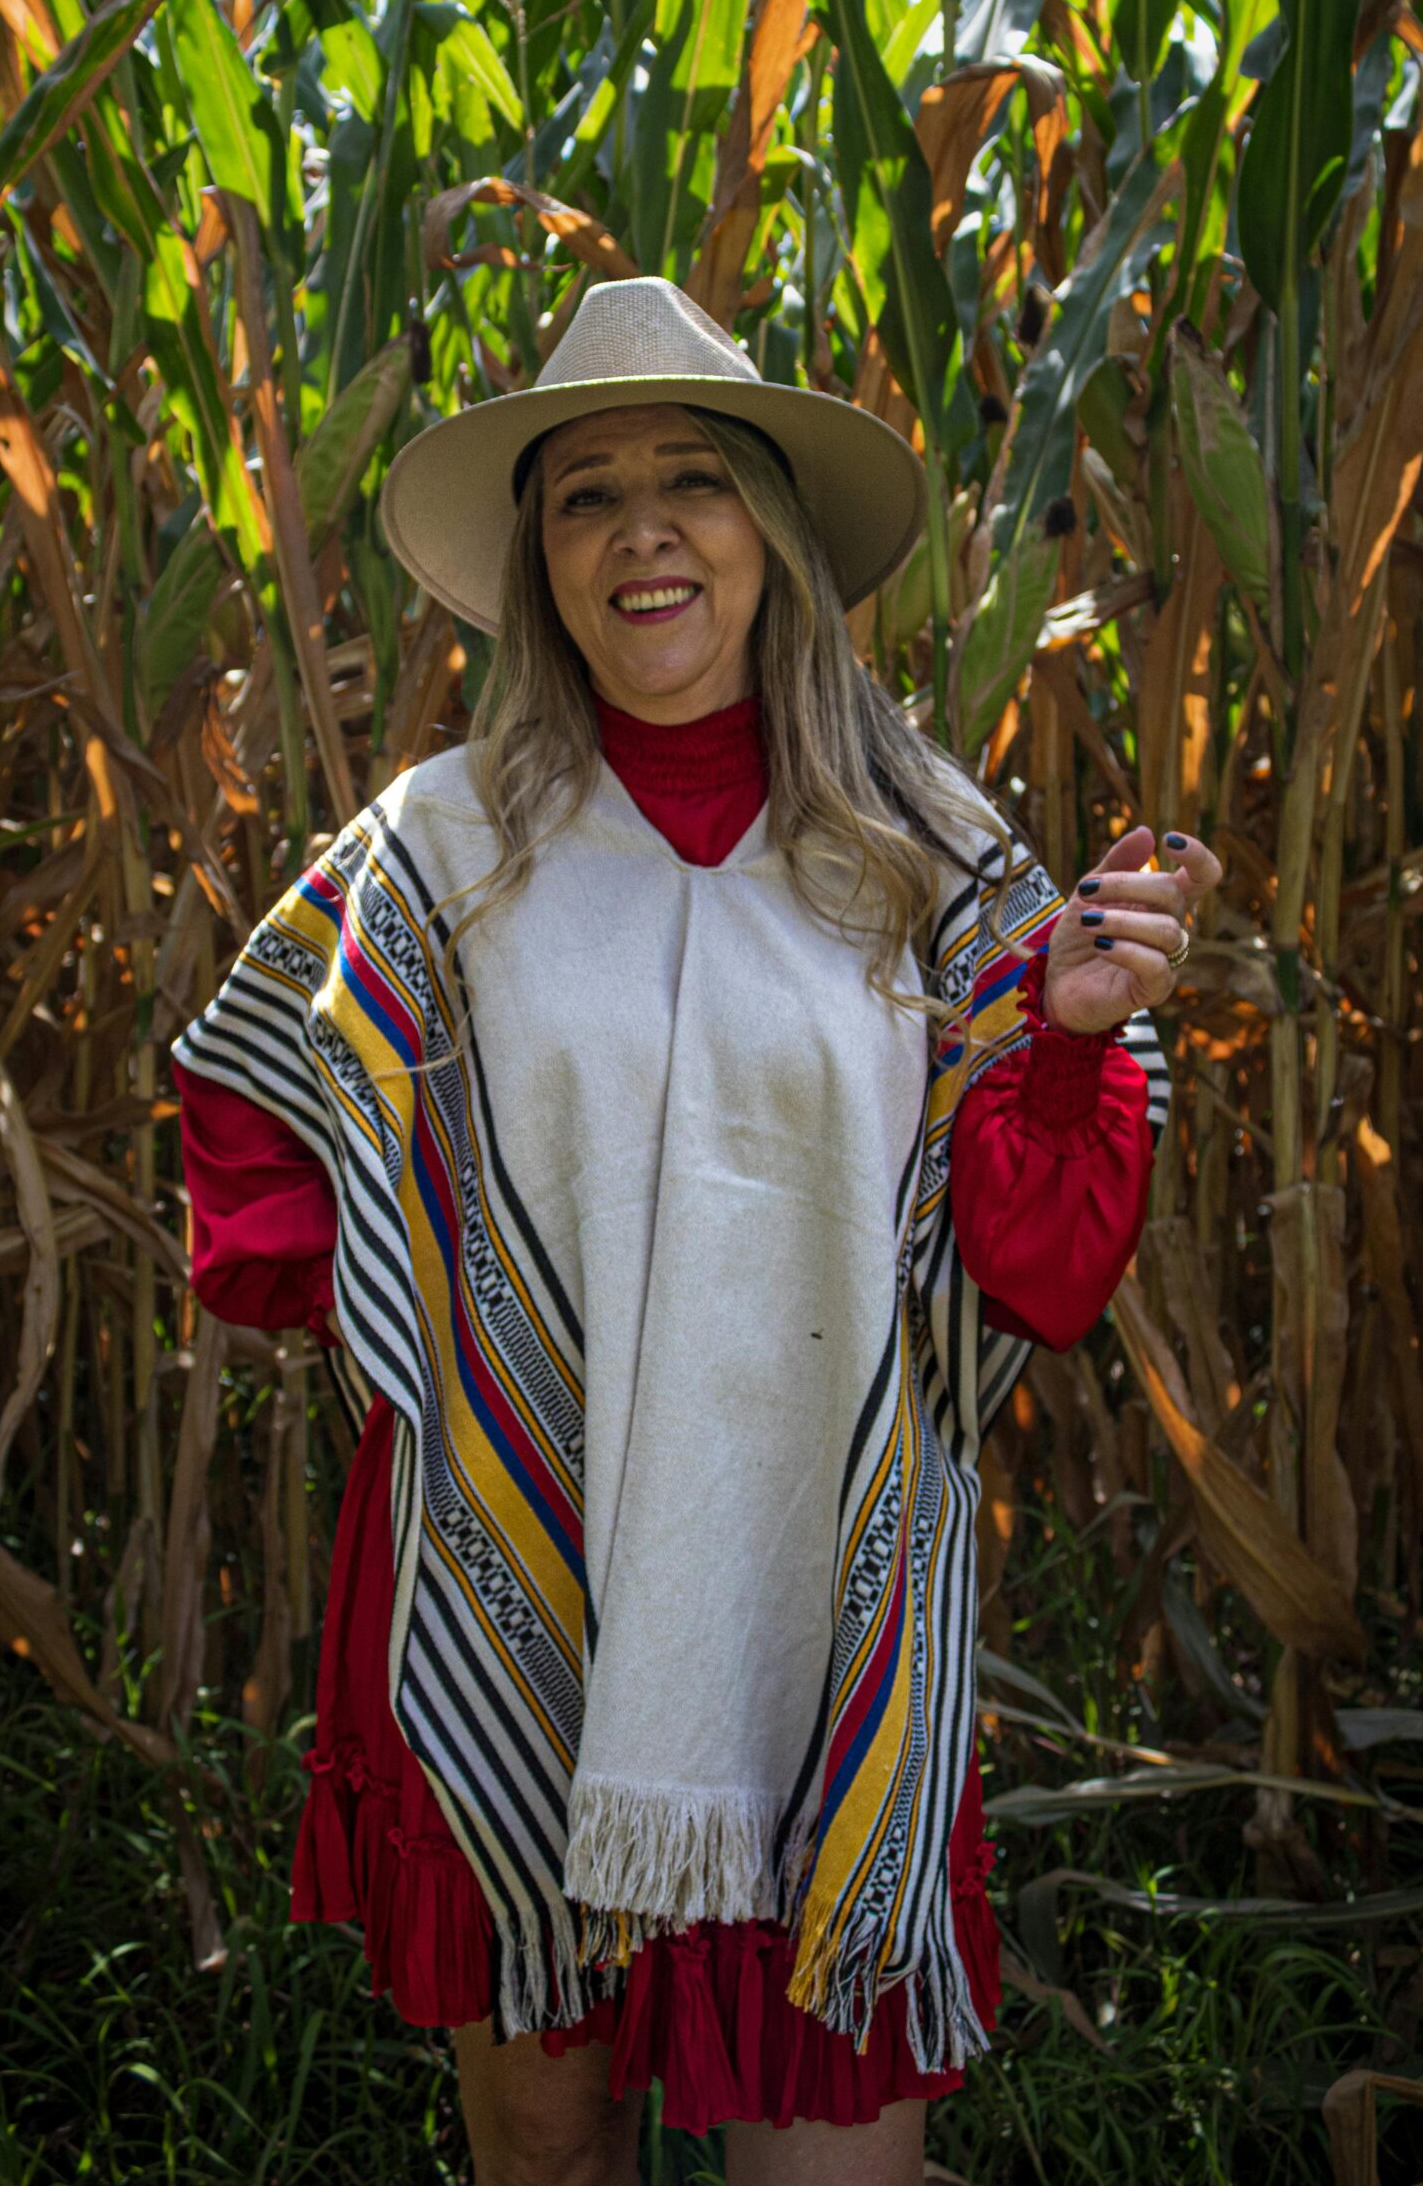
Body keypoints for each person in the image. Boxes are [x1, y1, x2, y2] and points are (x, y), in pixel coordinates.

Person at [173, 277, 1220, 2185]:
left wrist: (1064, 1047)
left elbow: (1042, 1267)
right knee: (546, 2151)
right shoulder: (437, 850)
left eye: (691, 483)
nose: (642, 531)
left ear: (773, 533)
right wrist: (444, 1292)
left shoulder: (930, 853)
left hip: (822, 1609)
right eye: (584, 496)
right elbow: (245, 1137)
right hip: (510, 1573)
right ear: (542, 560)